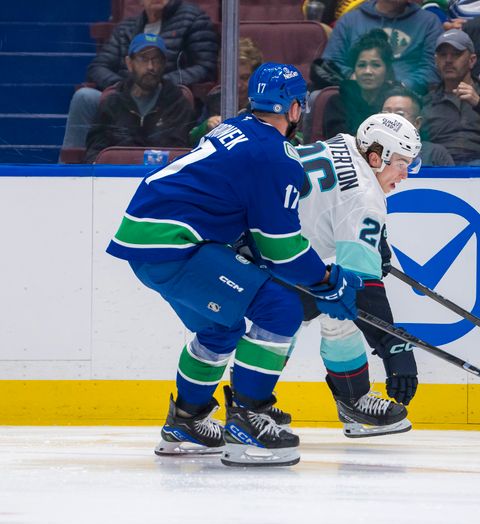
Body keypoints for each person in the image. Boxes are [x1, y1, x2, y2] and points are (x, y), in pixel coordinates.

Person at [105, 63, 364, 467]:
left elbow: (239, 219)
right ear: (296, 108)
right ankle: (248, 418)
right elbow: (279, 249)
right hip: (175, 242)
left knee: (219, 328)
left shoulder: (236, 127)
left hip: (146, 238)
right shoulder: (274, 156)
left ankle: (186, 421)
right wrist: (325, 280)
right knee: (279, 306)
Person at [285, 113, 422, 437]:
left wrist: (376, 243)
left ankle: (353, 400)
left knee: (333, 308)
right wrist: (394, 346)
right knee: (284, 321)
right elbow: (364, 288)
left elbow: (333, 203)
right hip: (268, 254)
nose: (404, 175)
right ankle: (248, 405)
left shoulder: (347, 142)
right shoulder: (364, 199)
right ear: (376, 157)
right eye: (401, 164)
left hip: (268, 241)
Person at [61, 0, 218, 154]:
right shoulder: (126, 27)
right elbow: (98, 67)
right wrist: (127, 87)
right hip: (125, 95)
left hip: (169, 97)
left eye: (155, 60)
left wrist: (161, 83)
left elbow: (205, 66)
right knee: (84, 97)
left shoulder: (192, 19)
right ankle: (70, 170)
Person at [84, 34, 196, 163]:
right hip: (117, 177)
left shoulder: (178, 103)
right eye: (143, 58)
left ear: (164, 64)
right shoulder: (112, 103)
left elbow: (181, 152)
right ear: (129, 63)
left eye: (156, 59)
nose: (150, 67)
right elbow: (95, 154)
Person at [422, 29, 480, 165]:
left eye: (456, 54)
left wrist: (479, 104)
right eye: (443, 55)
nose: (448, 60)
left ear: (472, 60)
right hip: (437, 167)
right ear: (436, 61)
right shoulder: (426, 100)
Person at [320, 0, 443, 95]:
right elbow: (331, 63)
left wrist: (401, 86)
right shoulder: (350, 20)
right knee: (317, 97)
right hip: (357, 91)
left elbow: (432, 68)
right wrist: (355, 78)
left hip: (408, 94)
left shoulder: (429, 22)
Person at [323, 29, 400, 138]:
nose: (367, 71)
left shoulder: (395, 102)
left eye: (376, 65)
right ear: (354, 69)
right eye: (361, 65)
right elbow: (336, 140)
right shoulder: (338, 102)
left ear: (387, 70)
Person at [189, 37, 263, 146]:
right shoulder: (215, 99)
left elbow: (291, 139)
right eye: (232, 78)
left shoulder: (268, 103)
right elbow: (191, 139)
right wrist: (206, 126)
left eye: (244, 77)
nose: (238, 85)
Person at [382, 86, 455, 166]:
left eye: (400, 114)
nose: (391, 119)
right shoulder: (370, 151)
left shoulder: (435, 154)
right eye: (386, 113)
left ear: (417, 123)